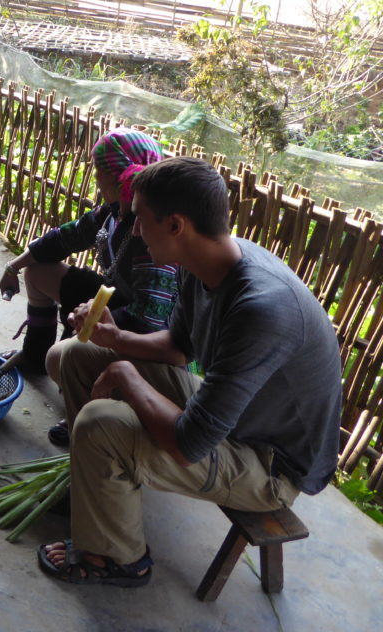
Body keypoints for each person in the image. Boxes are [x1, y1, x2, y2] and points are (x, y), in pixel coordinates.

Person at [36, 156, 342, 588]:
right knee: (75, 355)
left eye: (140, 219)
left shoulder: (262, 309)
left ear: (176, 225)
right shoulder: (207, 265)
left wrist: (127, 374)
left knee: (101, 424)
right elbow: (178, 349)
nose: (135, 231)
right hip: (234, 418)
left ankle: (116, 558)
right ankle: (95, 488)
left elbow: (190, 443)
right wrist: (113, 339)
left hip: (268, 466)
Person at [0, 127, 179, 445]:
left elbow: (149, 321)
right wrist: (13, 266)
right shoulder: (112, 211)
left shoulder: (149, 231)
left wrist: (95, 321)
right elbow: (65, 237)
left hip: (146, 334)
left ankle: (86, 415)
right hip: (115, 300)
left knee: (67, 355)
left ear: (117, 176)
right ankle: (33, 354)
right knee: (38, 272)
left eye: (98, 171)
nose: (94, 178)